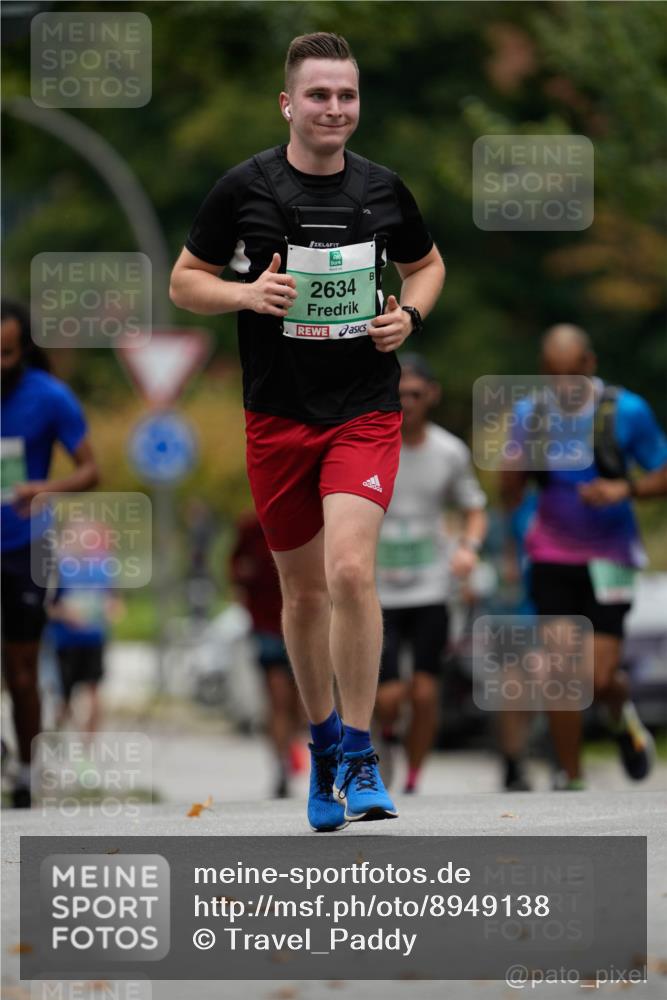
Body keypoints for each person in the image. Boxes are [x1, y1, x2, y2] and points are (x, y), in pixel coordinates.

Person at [170, 32, 445, 829]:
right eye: (319, 95)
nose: (334, 108)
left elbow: (426, 265)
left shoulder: (384, 190)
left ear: (359, 105)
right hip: (277, 419)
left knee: (353, 573)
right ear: (289, 104)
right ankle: (323, 745)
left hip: (362, 411)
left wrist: (409, 314)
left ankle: (360, 752)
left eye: (346, 95)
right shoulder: (243, 188)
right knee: (303, 594)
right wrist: (246, 296)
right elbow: (186, 283)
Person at [500, 324, 667, 790]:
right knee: (559, 671)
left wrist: (624, 488)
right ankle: (570, 777)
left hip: (610, 556)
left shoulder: (626, 411)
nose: (562, 388)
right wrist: (513, 467)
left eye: (570, 376)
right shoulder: (528, 414)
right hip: (552, 554)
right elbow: (509, 496)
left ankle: (620, 716)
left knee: (597, 677)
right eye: (553, 377)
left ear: (589, 367)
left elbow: (662, 473)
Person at [1, 299, 99, 807]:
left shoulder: (51, 397)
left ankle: (24, 770)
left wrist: (45, 487)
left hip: (24, 547)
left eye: (8, 352)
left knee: (21, 670)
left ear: (23, 349)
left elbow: (91, 470)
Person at [374, 354, 487, 793]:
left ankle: (414, 776)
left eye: (416, 395)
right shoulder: (370, 446)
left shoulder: (449, 451)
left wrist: (468, 549)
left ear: (432, 396)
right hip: (379, 589)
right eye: (399, 395)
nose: (407, 404)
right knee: (387, 697)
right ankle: (385, 739)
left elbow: (474, 508)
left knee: (423, 693)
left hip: (430, 586)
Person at [229, 510, 305, 798]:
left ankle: (296, 750)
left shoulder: (310, 515)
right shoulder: (251, 526)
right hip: (267, 624)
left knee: (303, 703)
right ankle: (281, 765)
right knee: (277, 698)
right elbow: (235, 568)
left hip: (305, 622)